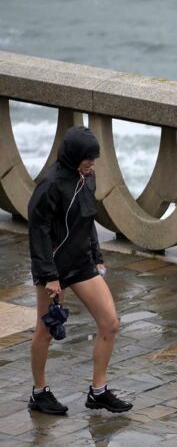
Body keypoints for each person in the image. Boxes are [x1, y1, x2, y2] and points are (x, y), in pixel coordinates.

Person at [27, 126, 132, 415]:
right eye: (88, 158)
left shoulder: (87, 178)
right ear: (73, 155)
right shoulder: (50, 185)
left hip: (82, 263)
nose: (92, 163)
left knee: (110, 322)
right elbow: (38, 231)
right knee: (45, 331)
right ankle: (39, 392)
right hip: (54, 268)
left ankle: (98, 391)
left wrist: (97, 257)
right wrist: (49, 276)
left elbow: (87, 219)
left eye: (94, 158)